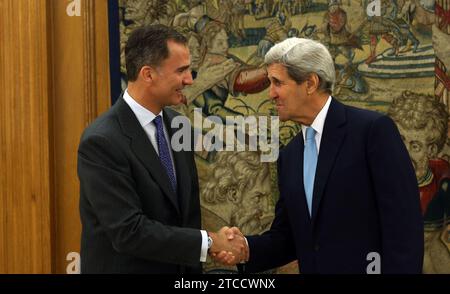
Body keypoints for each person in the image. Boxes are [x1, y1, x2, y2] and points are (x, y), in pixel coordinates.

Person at [215, 37, 424, 273]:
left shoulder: (372, 132)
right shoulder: (290, 155)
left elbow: (404, 229)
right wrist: (244, 248)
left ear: (311, 83)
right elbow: (291, 237)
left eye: (277, 83)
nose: (271, 93)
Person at [77, 24, 246, 273]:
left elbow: (184, 216)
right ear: (148, 74)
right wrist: (209, 242)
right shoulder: (101, 142)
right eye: (181, 71)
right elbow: (128, 231)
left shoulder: (178, 126)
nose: (189, 79)